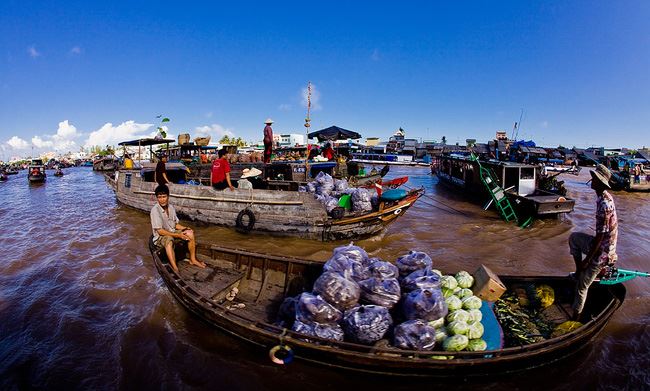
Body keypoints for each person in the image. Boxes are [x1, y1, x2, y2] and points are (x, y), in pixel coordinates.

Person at [568, 164, 618, 320]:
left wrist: (587, 261)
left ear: (601, 183)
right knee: (574, 238)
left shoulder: (604, 203)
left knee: (581, 288)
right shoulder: (603, 197)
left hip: (603, 251)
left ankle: (575, 318)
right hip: (602, 244)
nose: (592, 180)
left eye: (595, 179)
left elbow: (600, 237)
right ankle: (579, 272)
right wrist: (581, 265)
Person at [150, 184, 206, 274]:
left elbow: (175, 224)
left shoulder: (171, 207)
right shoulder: (155, 211)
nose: (162, 199)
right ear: (157, 198)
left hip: (172, 231)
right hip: (161, 236)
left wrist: (185, 228)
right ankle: (175, 267)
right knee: (169, 240)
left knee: (190, 233)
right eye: (159, 197)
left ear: (168, 196)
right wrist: (178, 235)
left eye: (164, 197)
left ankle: (193, 259)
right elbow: (160, 231)